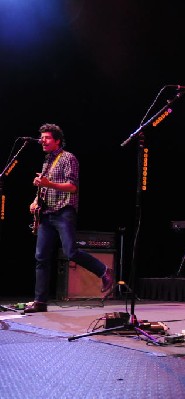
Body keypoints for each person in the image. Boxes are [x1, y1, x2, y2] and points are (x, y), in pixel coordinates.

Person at [24, 123, 113, 313]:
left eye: (47, 138)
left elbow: (72, 186)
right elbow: (46, 186)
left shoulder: (68, 158)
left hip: (64, 210)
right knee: (41, 257)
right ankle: (40, 302)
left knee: (71, 252)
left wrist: (48, 183)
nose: (42, 141)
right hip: (46, 213)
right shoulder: (47, 161)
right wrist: (35, 200)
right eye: (42, 137)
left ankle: (104, 271)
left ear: (57, 140)